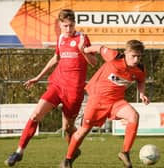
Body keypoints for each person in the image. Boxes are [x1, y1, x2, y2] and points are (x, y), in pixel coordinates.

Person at [4, 9, 97, 167]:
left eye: (71, 25)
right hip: (57, 85)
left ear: (75, 23)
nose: (69, 29)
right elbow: (57, 57)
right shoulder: (61, 37)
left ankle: (73, 149)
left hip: (74, 90)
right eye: (65, 26)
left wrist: (82, 50)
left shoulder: (82, 38)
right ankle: (19, 152)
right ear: (60, 25)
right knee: (35, 115)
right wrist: (39, 77)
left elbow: (94, 62)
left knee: (67, 128)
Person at [60, 40, 150, 168]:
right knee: (83, 131)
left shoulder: (139, 68)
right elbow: (99, 48)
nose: (136, 59)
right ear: (126, 53)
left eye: (139, 56)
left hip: (116, 101)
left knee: (134, 116)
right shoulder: (114, 56)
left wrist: (141, 93)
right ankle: (67, 160)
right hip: (97, 100)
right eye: (133, 56)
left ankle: (125, 153)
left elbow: (141, 81)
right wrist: (85, 50)